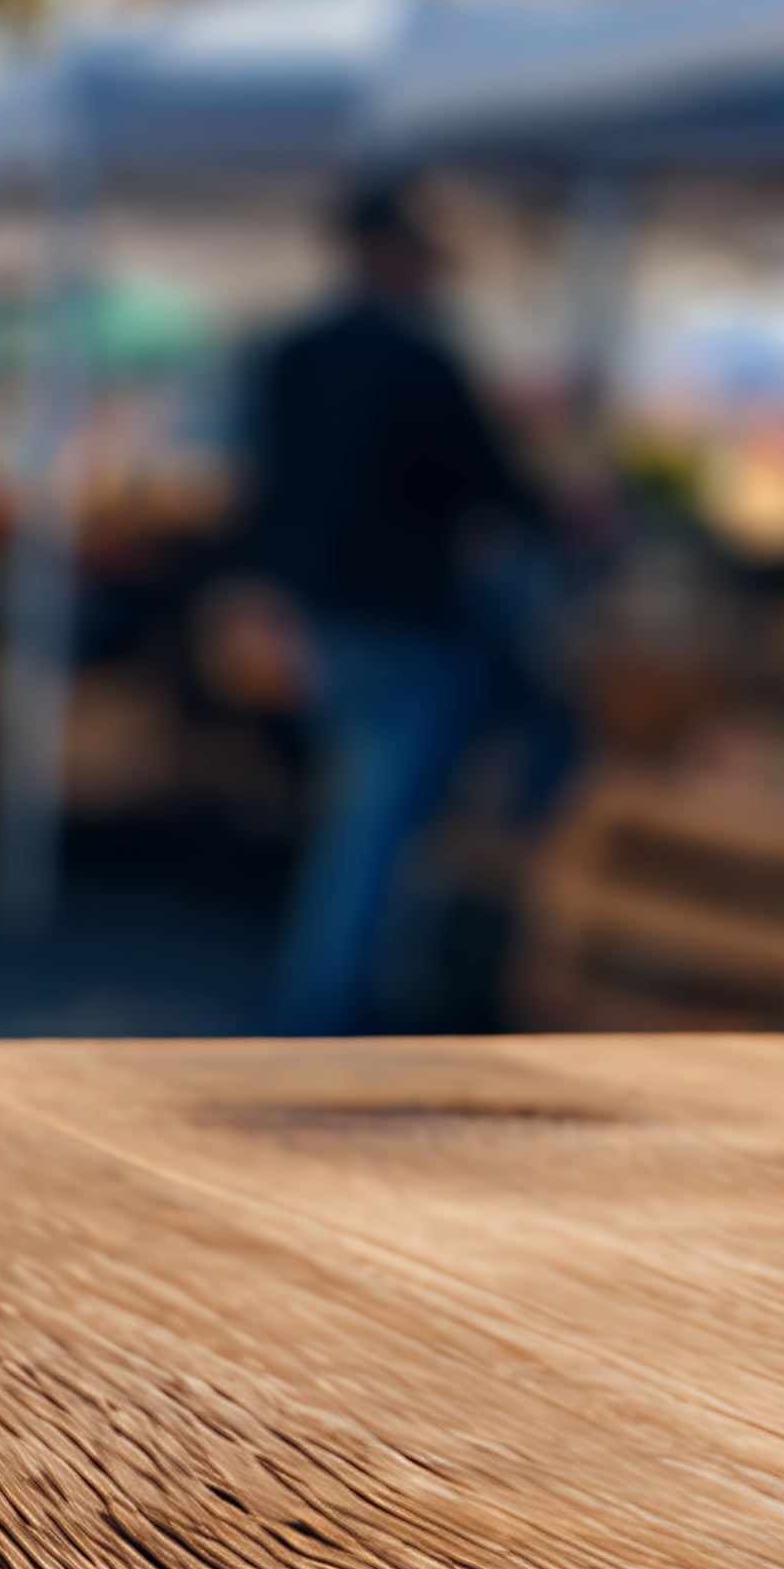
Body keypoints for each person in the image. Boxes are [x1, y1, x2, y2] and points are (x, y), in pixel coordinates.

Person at [236, 181, 566, 1037]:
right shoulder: (417, 360)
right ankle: (334, 1012)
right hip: (405, 619)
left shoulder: (290, 353)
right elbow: (492, 487)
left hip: (326, 615)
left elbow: (267, 495)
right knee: (379, 827)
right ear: (397, 253)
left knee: (355, 813)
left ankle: (346, 993)